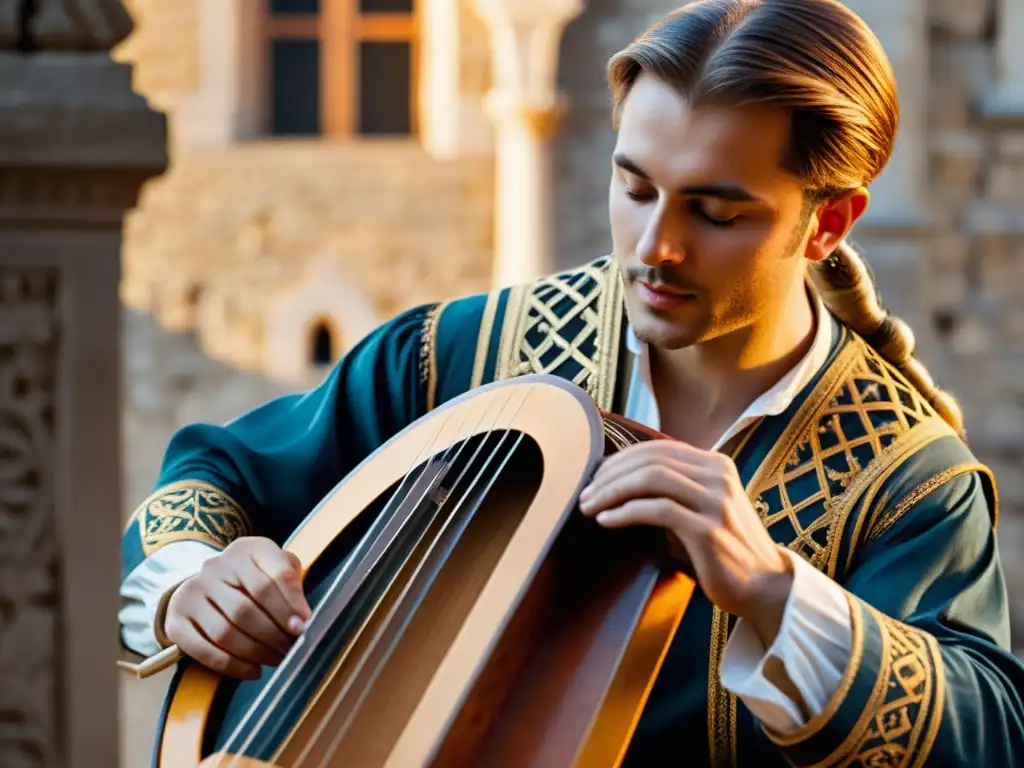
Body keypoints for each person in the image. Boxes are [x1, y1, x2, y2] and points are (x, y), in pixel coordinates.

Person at [120, 0, 1024, 764]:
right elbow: (218, 478)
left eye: (715, 212)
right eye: (634, 190)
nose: (656, 249)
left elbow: (989, 729)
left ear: (829, 222)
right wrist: (194, 583)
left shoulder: (909, 479)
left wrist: (773, 590)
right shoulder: (462, 355)